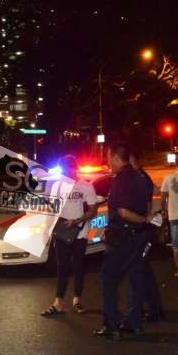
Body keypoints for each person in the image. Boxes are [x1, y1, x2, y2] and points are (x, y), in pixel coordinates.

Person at [94, 142, 155, 339]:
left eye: (108, 157)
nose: (107, 162)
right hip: (138, 237)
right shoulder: (140, 177)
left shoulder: (121, 180)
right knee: (135, 280)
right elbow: (147, 204)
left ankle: (111, 325)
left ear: (115, 157)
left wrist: (142, 220)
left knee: (108, 280)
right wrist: (144, 221)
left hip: (122, 238)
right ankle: (133, 323)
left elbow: (123, 212)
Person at [41, 155, 98, 316]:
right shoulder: (57, 186)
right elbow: (51, 208)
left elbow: (93, 211)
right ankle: (58, 303)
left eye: (67, 171)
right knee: (62, 267)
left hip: (79, 231)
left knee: (78, 266)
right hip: (62, 231)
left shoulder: (85, 186)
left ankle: (77, 299)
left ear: (75, 169)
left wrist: (77, 221)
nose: (65, 174)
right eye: (63, 172)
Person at [129, 152, 164, 322]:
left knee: (141, 271)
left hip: (143, 230)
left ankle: (152, 308)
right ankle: (149, 307)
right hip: (141, 229)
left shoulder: (141, 179)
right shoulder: (139, 177)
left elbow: (145, 206)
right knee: (142, 271)